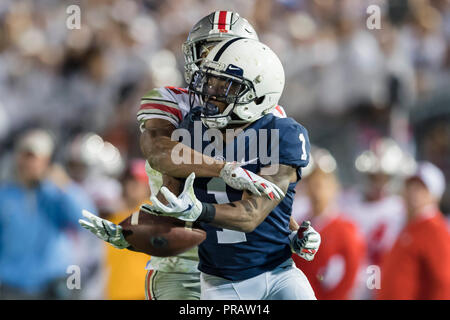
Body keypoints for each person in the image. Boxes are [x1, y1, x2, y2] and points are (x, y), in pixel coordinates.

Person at [79, 12, 317, 300]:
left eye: (224, 52)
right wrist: (225, 169)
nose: (213, 63)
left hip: (247, 256)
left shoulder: (271, 119)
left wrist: (290, 231)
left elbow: (267, 196)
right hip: (180, 251)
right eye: (207, 51)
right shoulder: (173, 101)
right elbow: (160, 153)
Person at [141, 38, 319, 300]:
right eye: (211, 81)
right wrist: (132, 233)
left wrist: (290, 229)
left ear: (257, 93)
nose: (212, 91)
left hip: (279, 273)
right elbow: (169, 195)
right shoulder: (193, 128)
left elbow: (254, 212)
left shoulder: (283, 133)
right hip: (221, 281)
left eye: (226, 85)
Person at [0, 129, 83, 299]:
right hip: (11, 285)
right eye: (27, 156)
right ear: (18, 158)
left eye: (38, 158)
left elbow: (83, 221)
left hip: (51, 284)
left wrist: (65, 186)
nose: (32, 164)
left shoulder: (57, 193)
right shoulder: (4, 195)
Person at [292, 148, 366, 300]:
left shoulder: (346, 229)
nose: (316, 189)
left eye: (322, 182)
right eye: (312, 182)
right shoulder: (298, 226)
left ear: (334, 186)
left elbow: (351, 278)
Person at [377, 162, 450, 300]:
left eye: (422, 188)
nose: (414, 192)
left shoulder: (436, 231)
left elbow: (444, 284)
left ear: (434, 194)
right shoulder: (407, 225)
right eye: (411, 185)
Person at [105, 159, 150, 300]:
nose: (133, 185)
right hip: (115, 293)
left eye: (139, 180)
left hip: (144, 293)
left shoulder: (155, 215)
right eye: (130, 180)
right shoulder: (113, 218)